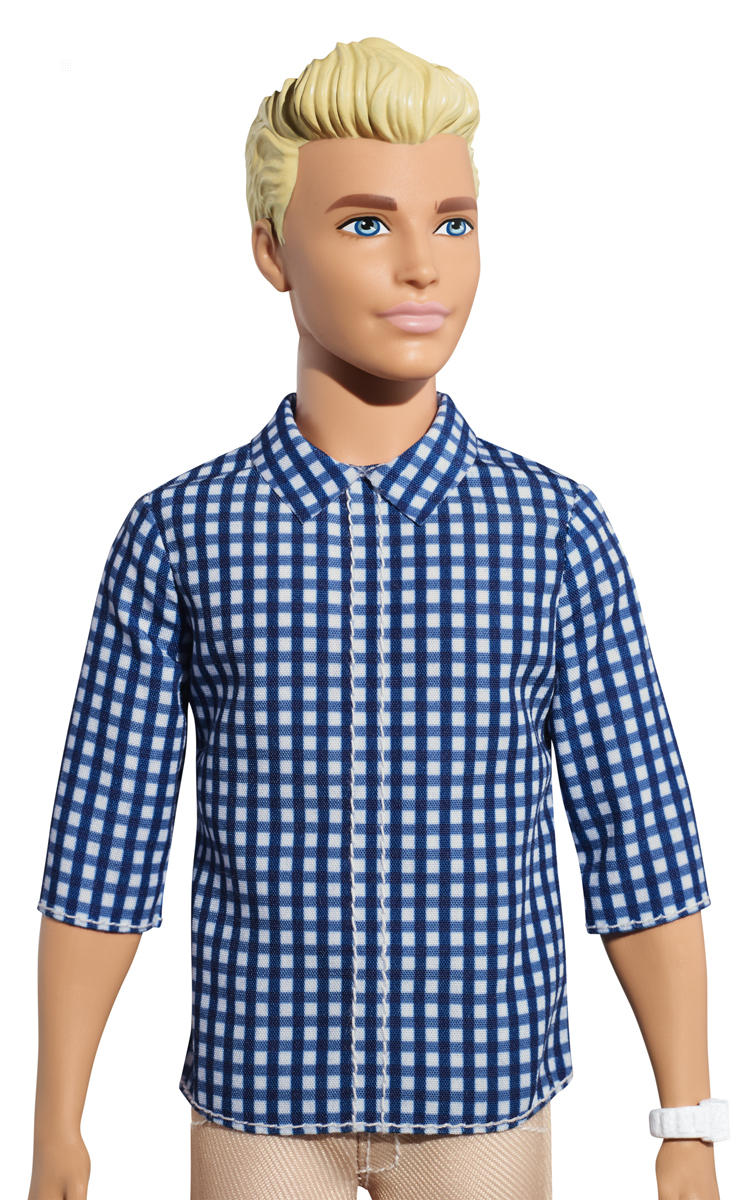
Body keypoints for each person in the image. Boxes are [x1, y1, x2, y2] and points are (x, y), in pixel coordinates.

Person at [29, 35, 725, 1200]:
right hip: (258, 1104)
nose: (419, 267)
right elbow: (106, 840)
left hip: (486, 1100)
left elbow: (637, 831)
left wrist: (686, 1125)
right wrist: (57, 1122)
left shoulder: (553, 530)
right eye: (364, 223)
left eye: (452, 223)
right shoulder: (179, 533)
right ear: (271, 249)